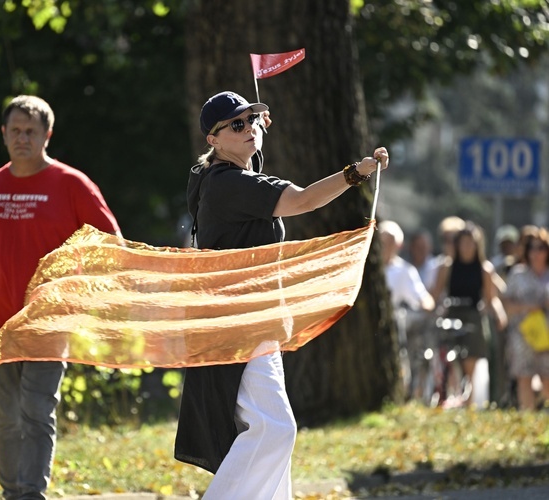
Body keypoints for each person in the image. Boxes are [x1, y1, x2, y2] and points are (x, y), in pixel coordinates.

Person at [174, 90, 389, 499]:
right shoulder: (229, 185)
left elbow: (254, 179)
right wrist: (356, 173)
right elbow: (303, 199)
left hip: (244, 320)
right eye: (237, 125)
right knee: (276, 430)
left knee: (266, 431)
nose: (249, 129)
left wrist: (253, 137)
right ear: (213, 139)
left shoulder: (215, 177)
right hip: (239, 324)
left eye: (253, 121)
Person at [0, 95, 121, 499]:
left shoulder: (71, 184)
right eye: (15, 130)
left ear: (47, 135)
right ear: (3, 134)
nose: (22, 138)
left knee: (36, 413)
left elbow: (110, 244)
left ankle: (28, 494)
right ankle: (13, 490)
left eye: (31, 131)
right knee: (4, 419)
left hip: (48, 323)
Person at [429, 222, 507, 407]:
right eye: (463, 243)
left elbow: (490, 298)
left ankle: (469, 404)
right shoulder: (447, 267)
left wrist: (499, 314)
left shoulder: (484, 269)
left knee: (470, 363)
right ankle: (448, 400)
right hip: (451, 315)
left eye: (470, 243)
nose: (466, 247)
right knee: (450, 361)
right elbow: (435, 293)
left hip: (473, 317)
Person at [379, 220, 435, 400]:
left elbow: (422, 297)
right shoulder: (366, 267)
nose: (385, 247)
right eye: (382, 241)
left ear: (399, 245)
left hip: (392, 324)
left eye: (389, 242)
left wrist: (428, 305)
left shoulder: (404, 271)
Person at [501, 229, 549, 410]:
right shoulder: (517, 275)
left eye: (541, 248)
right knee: (524, 376)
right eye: (532, 248)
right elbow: (506, 303)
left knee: (547, 377)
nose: (536, 253)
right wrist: (529, 307)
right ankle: (527, 417)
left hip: (547, 336)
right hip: (522, 335)